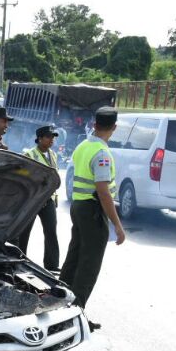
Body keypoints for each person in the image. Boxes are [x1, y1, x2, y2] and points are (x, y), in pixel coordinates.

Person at [61, 108, 126, 312]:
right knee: (89, 264)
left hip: (78, 206)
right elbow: (103, 192)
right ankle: (76, 311)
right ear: (114, 127)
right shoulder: (102, 153)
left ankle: (59, 299)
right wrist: (117, 224)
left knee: (75, 256)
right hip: (92, 209)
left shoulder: (84, 145)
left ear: (94, 124)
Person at [15, 125, 62, 270]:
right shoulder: (30, 154)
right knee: (24, 233)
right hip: (33, 200)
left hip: (48, 200)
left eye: (53, 137)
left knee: (51, 232)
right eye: (48, 137)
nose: (51, 140)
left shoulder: (53, 154)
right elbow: (22, 176)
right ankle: (19, 261)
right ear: (40, 139)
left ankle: (52, 266)